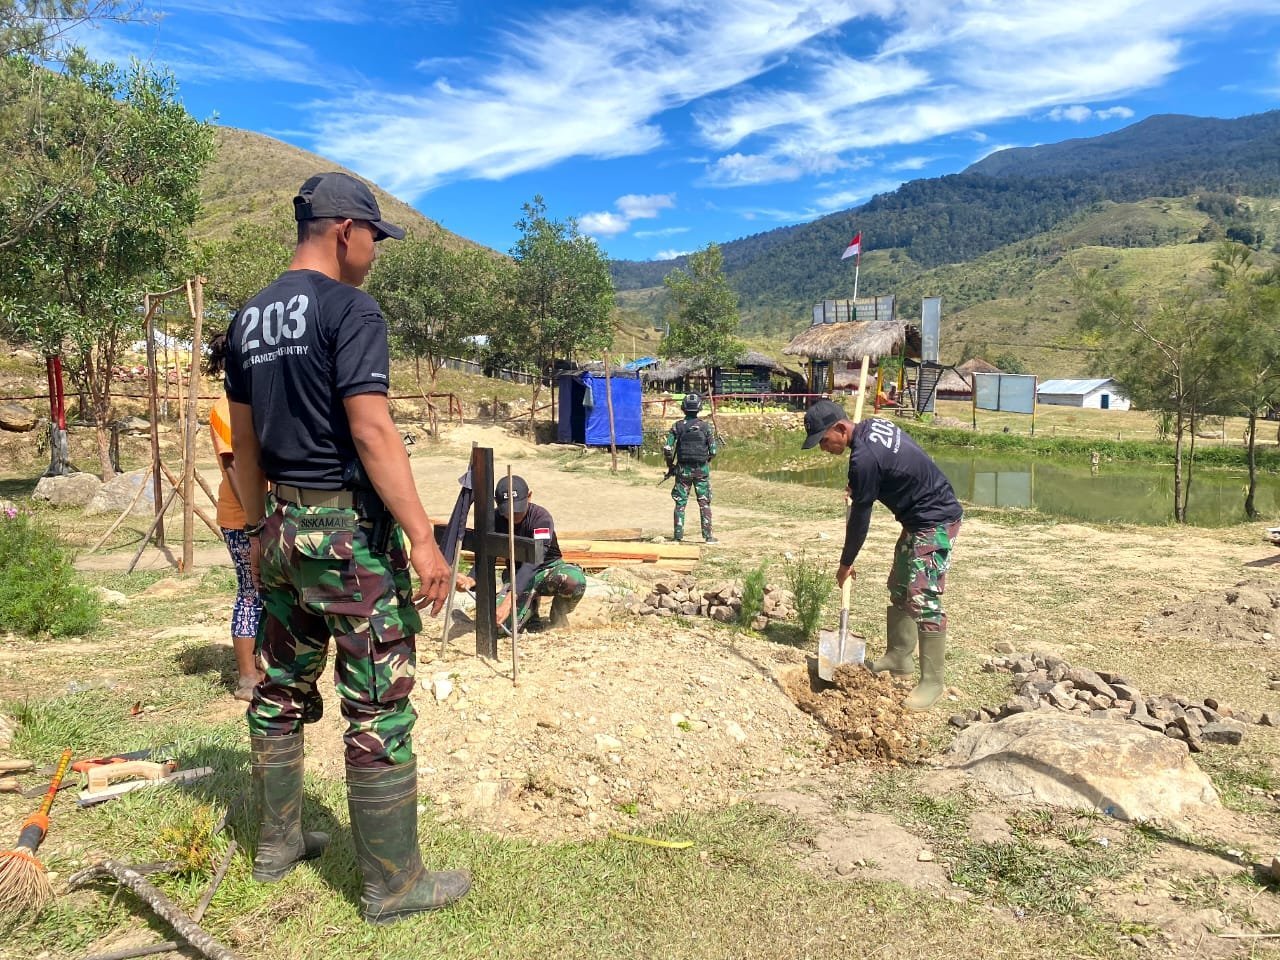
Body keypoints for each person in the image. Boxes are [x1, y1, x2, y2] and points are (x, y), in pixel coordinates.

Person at [224, 171, 469, 924]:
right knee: (377, 703)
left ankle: (276, 846)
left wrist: (258, 531)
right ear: (343, 231)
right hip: (347, 541)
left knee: (278, 689)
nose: (375, 253)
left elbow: (245, 446)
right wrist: (423, 538)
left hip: (282, 533)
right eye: (373, 238)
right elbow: (370, 428)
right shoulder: (350, 309)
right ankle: (392, 884)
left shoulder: (248, 319)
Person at [801, 399, 962, 711]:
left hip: (936, 521)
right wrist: (861, 485)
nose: (823, 448)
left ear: (840, 428)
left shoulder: (864, 458)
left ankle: (933, 682)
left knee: (923, 595)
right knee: (899, 585)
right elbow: (884, 469)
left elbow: (860, 520)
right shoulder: (872, 427)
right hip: (916, 520)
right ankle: (899, 656)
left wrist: (846, 563)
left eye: (824, 440)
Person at [206, 332, 265, 702]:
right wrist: (255, 518)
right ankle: (246, 677)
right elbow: (233, 466)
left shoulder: (257, 400)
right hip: (242, 516)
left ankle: (265, 665)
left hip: (267, 511)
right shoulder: (226, 407)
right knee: (250, 591)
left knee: (271, 591)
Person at [456, 475, 586, 631]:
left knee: (574, 580)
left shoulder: (541, 518)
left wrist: (508, 602)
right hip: (517, 576)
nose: (513, 515)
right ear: (497, 502)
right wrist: (470, 580)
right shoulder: (494, 520)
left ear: (529, 496)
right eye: (507, 511)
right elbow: (487, 554)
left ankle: (558, 616)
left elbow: (534, 560)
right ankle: (530, 611)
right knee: (498, 626)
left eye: (517, 509)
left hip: (548, 571)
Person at [662, 392, 717, 543]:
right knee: (704, 503)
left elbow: (667, 448)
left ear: (683, 408)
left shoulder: (677, 426)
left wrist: (671, 466)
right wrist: (704, 462)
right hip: (701, 471)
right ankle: (708, 537)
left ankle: (678, 536)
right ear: (699, 408)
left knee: (680, 504)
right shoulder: (706, 427)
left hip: (682, 471)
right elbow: (713, 451)